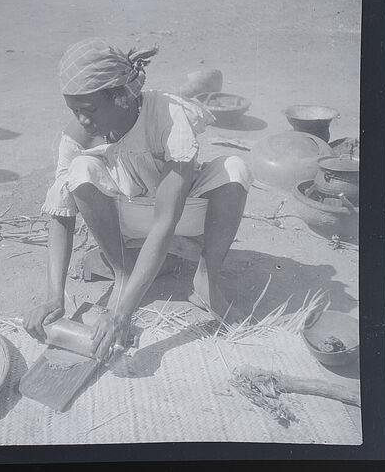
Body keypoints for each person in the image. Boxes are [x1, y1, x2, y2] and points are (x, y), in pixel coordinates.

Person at [23, 38, 253, 361]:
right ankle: (123, 272)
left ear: (120, 95)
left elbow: (165, 223)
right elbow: (60, 213)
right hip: (123, 218)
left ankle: (206, 280)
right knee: (79, 170)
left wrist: (123, 314)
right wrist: (54, 298)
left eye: (89, 109)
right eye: (74, 110)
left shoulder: (170, 115)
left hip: (180, 215)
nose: (83, 120)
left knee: (235, 169)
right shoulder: (77, 135)